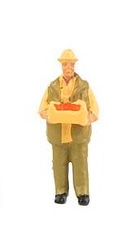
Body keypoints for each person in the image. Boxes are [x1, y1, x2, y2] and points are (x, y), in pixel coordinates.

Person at [38, 49, 99, 205]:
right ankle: (60, 191)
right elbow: (42, 109)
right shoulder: (52, 87)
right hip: (58, 136)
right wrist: (49, 114)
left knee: (80, 165)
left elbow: (94, 109)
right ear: (61, 65)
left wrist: (87, 118)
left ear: (74, 65)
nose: (68, 67)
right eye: (65, 64)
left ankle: (83, 192)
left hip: (78, 136)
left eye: (71, 64)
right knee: (58, 165)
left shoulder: (84, 87)